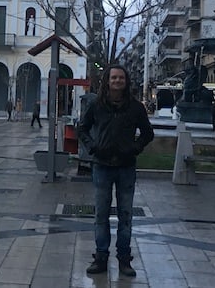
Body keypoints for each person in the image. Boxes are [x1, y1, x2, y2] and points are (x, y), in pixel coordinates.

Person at [77, 64, 154, 277]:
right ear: (107, 81)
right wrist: (92, 147)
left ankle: (124, 259)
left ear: (126, 81)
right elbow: (82, 128)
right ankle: (101, 256)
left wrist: (135, 148)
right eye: (114, 78)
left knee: (125, 216)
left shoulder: (135, 107)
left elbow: (148, 133)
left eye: (121, 78)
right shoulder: (97, 105)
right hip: (102, 166)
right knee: (101, 215)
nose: (117, 81)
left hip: (126, 167)